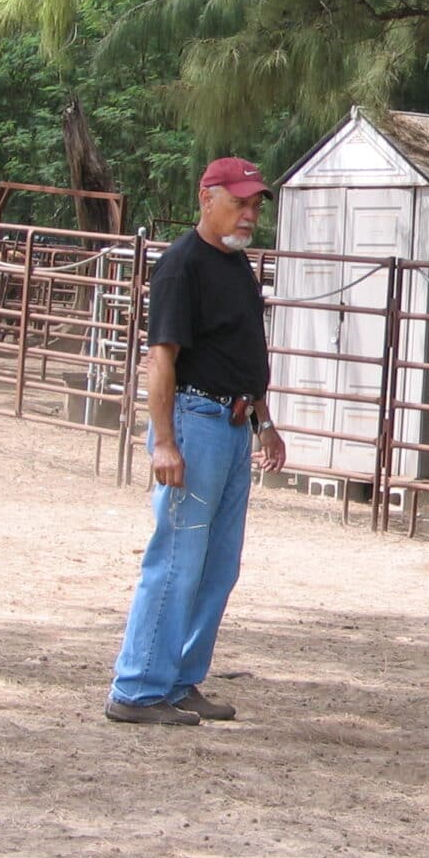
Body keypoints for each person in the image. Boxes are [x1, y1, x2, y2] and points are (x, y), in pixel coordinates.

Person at [105, 156, 287, 724]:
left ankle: (181, 679)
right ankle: (137, 689)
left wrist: (264, 421)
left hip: (231, 425)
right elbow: (161, 359)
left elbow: (243, 351)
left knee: (217, 565)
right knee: (178, 558)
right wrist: (164, 441)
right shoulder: (181, 266)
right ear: (206, 199)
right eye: (239, 202)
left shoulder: (235, 266)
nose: (250, 214)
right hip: (196, 419)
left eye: (255, 204)